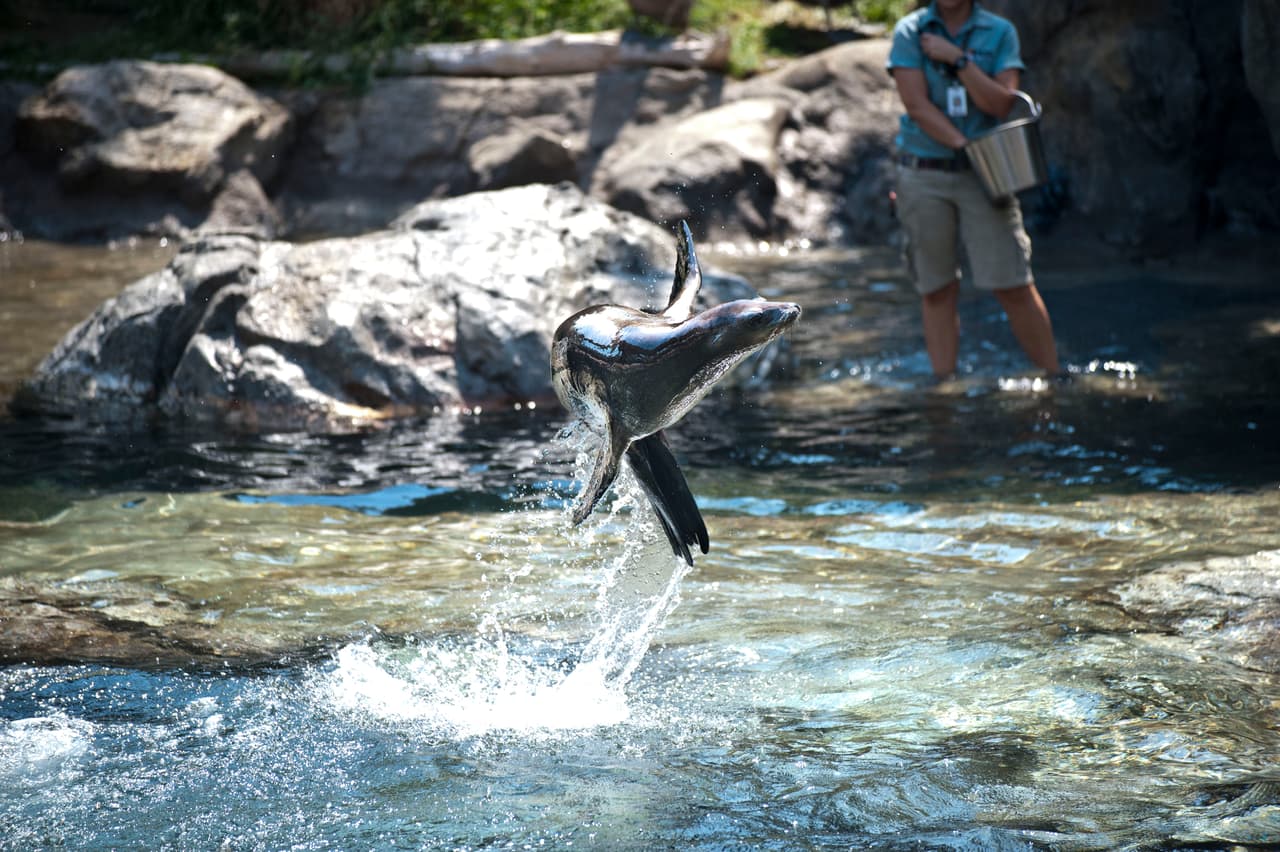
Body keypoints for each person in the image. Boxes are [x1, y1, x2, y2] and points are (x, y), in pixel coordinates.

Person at [887, 0, 1060, 379]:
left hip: (989, 178)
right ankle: (944, 388)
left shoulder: (999, 33)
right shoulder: (910, 32)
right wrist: (965, 147)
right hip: (924, 174)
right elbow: (916, 105)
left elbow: (1000, 104)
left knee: (1014, 284)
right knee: (937, 290)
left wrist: (958, 60)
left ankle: (1054, 377)